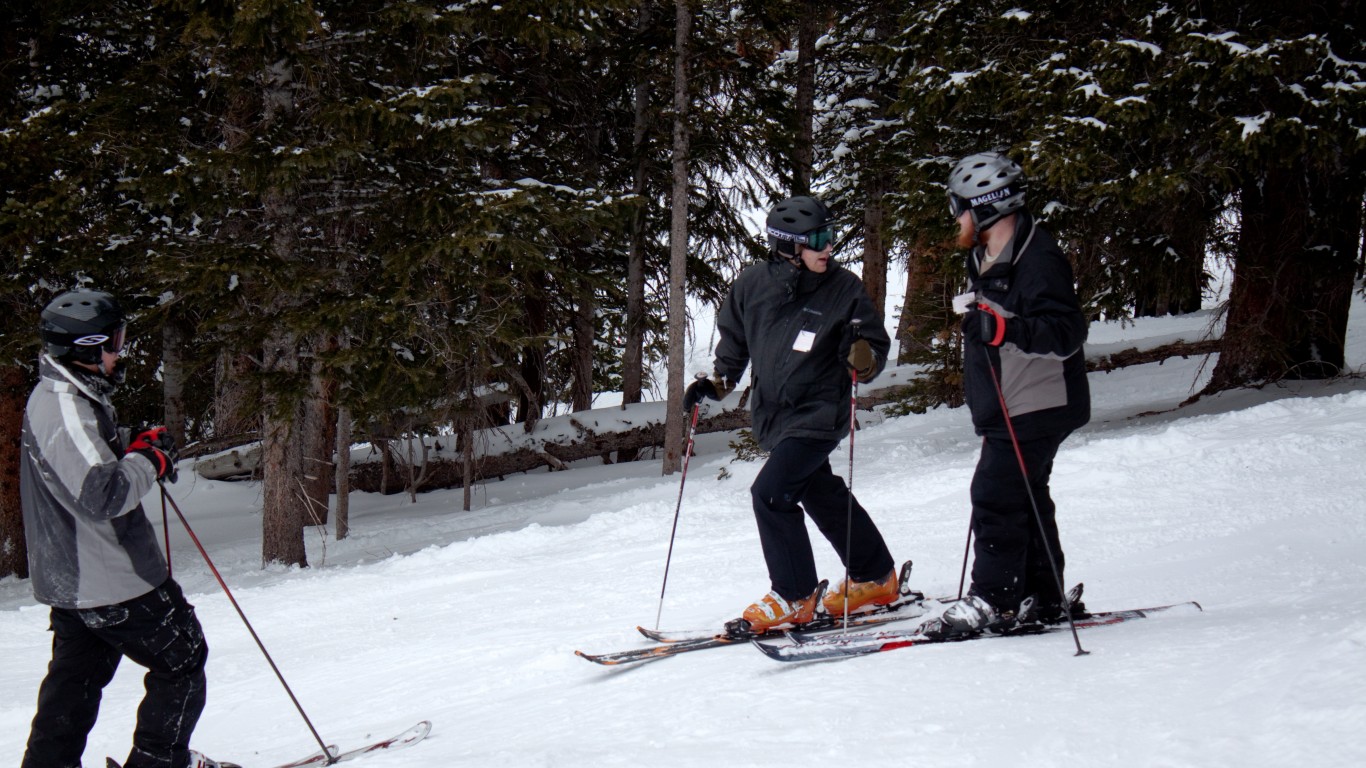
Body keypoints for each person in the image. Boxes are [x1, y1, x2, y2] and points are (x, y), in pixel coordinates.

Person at [20, 289, 222, 768]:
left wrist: (135, 451)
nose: (119, 351)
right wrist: (149, 460)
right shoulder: (64, 408)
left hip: (76, 577)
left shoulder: (67, 396)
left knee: (76, 682)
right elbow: (103, 494)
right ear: (86, 348)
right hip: (109, 576)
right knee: (183, 659)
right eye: (113, 341)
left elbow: (83, 470)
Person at [683, 195, 897, 633]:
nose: (828, 248)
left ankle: (794, 594)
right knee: (820, 491)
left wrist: (863, 356)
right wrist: (715, 385)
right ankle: (875, 576)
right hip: (774, 416)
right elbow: (734, 347)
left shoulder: (844, 289)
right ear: (786, 246)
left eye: (830, 237)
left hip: (821, 412)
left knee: (772, 494)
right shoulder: (751, 286)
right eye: (816, 240)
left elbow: (873, 352)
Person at [934, 151, 1091, 637]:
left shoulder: (1037, 257)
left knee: (996, 494)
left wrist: (1003, 328)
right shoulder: (986, 254)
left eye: (960, 207)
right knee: (1027, 493)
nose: (956, 218)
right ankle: (1041, 596)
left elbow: (1066, 332)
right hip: (1011, 401)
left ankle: (993, 600)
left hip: (1038, 401)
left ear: (985, 206)